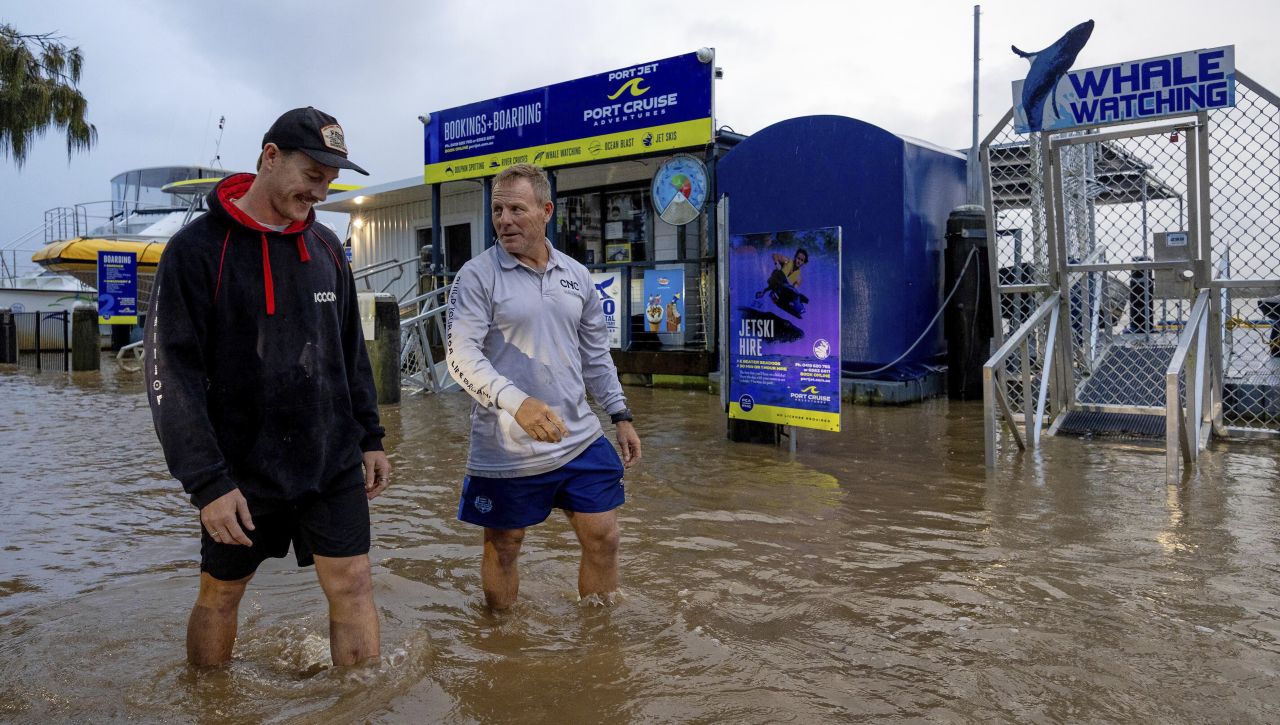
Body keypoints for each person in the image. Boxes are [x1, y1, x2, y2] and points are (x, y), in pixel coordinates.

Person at [144, 107, 391, 667]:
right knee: (221, 595)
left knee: (353, 582)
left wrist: (370, 436)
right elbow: (169, 376)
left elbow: (351, 350)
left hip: (329, 458)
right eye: (312, 175)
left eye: (330, 181)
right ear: (270, 157)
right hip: (240, 470)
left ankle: (361, 707)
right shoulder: (196, 251)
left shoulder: (328, 249)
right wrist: (207, 483)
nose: (321, 192)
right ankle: (210, 702)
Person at [446, 163, 642, 610]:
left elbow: (596, 355)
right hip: (507, 444)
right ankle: (501, 640)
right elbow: (460, 357)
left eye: (517, 208)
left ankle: (600, 638)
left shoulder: (576, 276)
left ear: (546, 211)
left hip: (578, 435)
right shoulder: (477, 276)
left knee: (604, 536)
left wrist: (621, 415)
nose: (504, 220)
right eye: (497, 210)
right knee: (504, 545)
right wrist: (517, 403)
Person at [756, 247, 810, 318]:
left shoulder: (798, 277)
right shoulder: (787, 261)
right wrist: (777, 263)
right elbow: (774, 255)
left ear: (803, 263)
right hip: (775, 280)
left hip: (782, 288)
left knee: (792, 292)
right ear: (795, 257)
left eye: (801, 260)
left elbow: (794, 286)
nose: (799, 261)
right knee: (782, 280)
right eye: (798, 258)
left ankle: (792, 304)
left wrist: (794, 292)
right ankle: (778, 296)